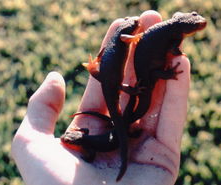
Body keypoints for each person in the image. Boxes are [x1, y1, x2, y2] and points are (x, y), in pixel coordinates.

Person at [11, 10, 190, 185]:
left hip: (111, 85)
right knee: (121, 117)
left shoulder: (86, 143)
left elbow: (89, 148)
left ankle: (125, 129)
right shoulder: (124, 36)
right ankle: (124, 132)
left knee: (121, 114)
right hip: (113, 101)